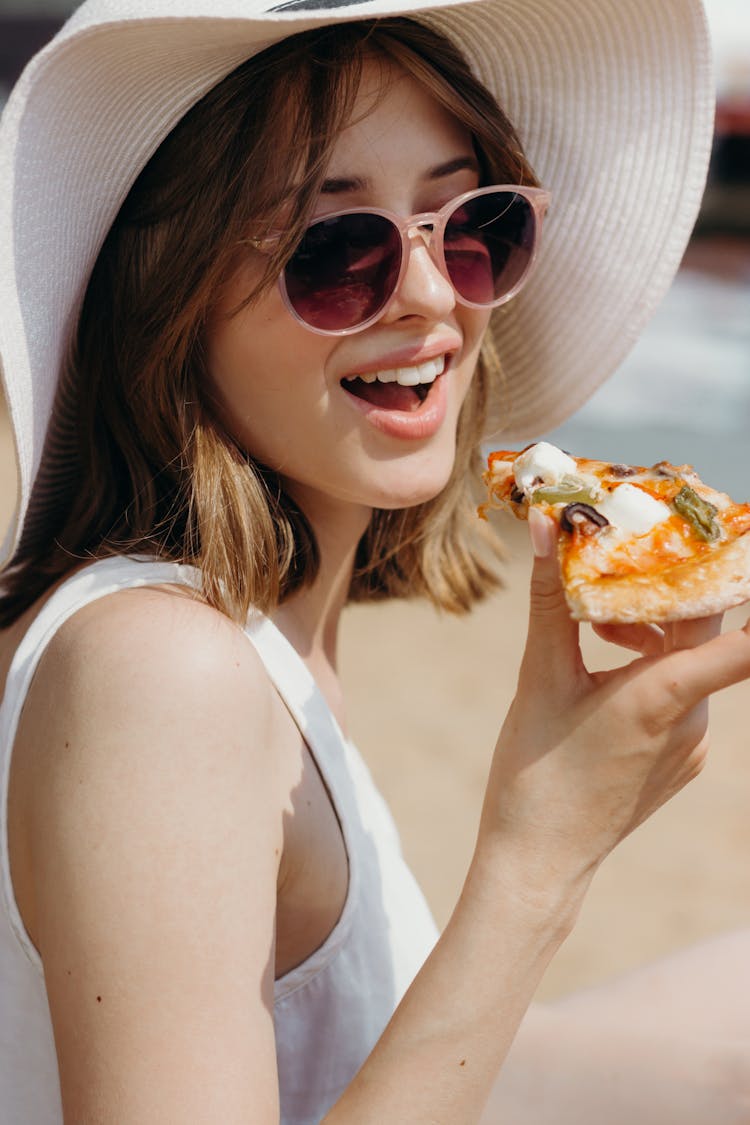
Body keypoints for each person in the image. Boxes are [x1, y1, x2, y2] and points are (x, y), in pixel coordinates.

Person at [0, 1, 748, 1122]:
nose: (434, 294)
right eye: (336, 251)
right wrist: (539, 858)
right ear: (168, 294)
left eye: (474, 223)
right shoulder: (159, 676)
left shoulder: (258, 638)